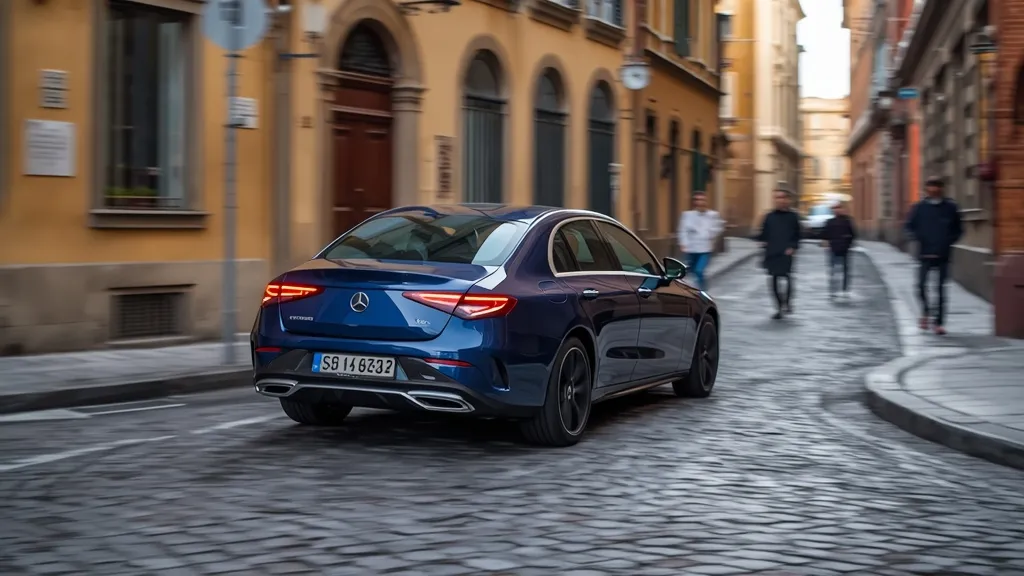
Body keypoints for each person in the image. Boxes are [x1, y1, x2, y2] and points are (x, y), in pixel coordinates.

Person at [904, 176, 963, 335]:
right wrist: (917, 238)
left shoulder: (950, 207)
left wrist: (948, 241)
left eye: (936, 186)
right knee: (920, 286)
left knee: (940, 290)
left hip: (943, 254)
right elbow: (909, 226)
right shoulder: (919, 208)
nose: (933, 189)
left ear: (941, 188)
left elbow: (958, 229)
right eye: (930, 186)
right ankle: (926, 312)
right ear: (927, 189)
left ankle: (939, 323)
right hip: (924, 253)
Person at [757, 187, 802, 319]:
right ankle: (778, 307)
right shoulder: (769, 216)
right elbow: (763, 234)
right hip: (772, 253)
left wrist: (793, 247)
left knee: (787, 278)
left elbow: (798, 234)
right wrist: (761, 240)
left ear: (788, 200)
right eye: (777, 198)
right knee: (773, 281)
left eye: (783, 197)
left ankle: (787, 302)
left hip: (786, 252)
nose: (780, 200)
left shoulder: (793, 216)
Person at [677, 191, 724, 290]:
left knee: (699, 270)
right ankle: (697, 287)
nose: (699, 202)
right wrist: (683, 243)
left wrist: (709, 234)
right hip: (691, 248)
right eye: (697, 200)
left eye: (702, 200)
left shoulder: (713, 215)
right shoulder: (687, 215)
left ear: (706, 201)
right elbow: (682, 230)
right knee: (692, 271)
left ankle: (703, 291)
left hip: (705, 248)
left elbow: (719, 227)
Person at [822, 201, 857, 299]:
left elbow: (853, 234)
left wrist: (849, 244)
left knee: (845, 270)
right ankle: (833, 289)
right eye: (835, 208)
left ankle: (845, 290)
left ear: (843, 209)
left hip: (845, 248)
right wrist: (825, 242)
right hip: (833, 248)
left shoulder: (848, 221)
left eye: (839, 208)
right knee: (833, 270)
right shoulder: (830, 222)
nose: (837, 210)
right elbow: (825, 234)